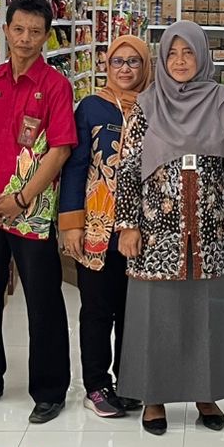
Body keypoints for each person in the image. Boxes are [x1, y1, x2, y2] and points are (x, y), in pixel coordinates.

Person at [114, 21, 224, 435]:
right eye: (171, 54)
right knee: (156, 311)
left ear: (202, 55)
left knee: (206, 309)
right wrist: (128, 224)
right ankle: (153, 397)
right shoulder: (147, 104)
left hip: (211, 225)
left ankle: (205, 393)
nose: (180, 61)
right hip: (157, 227)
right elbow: (128, 168)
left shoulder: (223, 101)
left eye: (188, 52)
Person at [0, 0, 76, 422]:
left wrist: (22, 198)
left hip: (32, 211)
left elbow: (60, 150)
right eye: (19, 29)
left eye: (35, 32)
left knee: (43, 301)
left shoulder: (56, 85)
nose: (25, 39)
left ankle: (50, 390)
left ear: (46, 37)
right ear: (6, 30)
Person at [58, 35, 151, 418]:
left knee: (134, 310)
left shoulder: (155, 106)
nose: (125, 69)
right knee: (97, 309)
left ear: (145, 66)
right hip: (97, 226)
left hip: (142, 228)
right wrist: (71, 223)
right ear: (107, 66)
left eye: (133, 61)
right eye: (117, 61)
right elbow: (76, 166)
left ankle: (129, 381)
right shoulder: (91, 108)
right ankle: (96, 385)